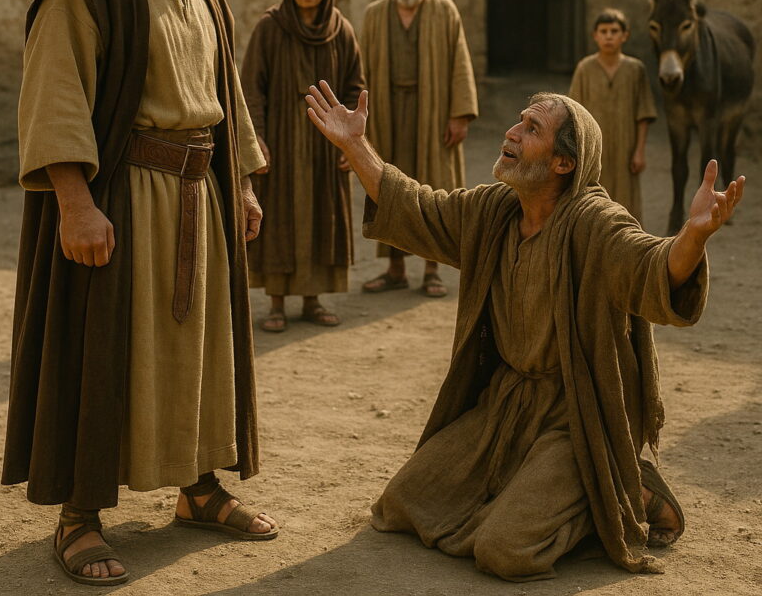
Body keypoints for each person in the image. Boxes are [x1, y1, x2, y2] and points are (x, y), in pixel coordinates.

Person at [305, 80, 744, 581]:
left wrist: (693, 235)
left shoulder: (596, 224)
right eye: (519, 120)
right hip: (507, 403)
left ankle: (619, 486)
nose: (511, 132)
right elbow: (417, 207)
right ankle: (552, 483)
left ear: (564, 163)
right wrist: (355, 144)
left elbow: (652, 266)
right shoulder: (493, 211)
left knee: (506, 551)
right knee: (402, 504)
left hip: (575, 417)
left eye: (532, 128)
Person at [3, 0, 278, 586]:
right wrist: (75, 203)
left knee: (199, 353)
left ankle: (199, 488)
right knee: (104, 353)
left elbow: (223, 93)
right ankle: (79, 516)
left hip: (199, 197)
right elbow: (55, 93)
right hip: (123, 201)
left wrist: (241, 184)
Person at [241, 0, 364, 332]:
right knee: (278, 216)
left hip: (327, 140)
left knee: (322, 216)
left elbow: (355, 87)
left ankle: (313, 300)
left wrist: (353, 143)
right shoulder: (270, 28)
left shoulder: (341, 30)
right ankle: (276, 303)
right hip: (279, 140)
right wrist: (257, 138)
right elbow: (251, 88)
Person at [360, 0, 478, 297]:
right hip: (388, 113)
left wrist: (459, 114)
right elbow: (361, 70)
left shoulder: (444, 10)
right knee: (386, 188)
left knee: (435, 188)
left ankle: (432, 270)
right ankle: (394, 268)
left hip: (433, 113)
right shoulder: (375, 14)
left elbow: (460, 62)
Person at [568, 8, 657, 222]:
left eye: (614, 31)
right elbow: (573, 113)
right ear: (595, 35)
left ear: (624, 35)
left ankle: (628, 240)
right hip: (593, 148)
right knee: (591, 200)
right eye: (604, 31)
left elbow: (643, 113)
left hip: (626, 148)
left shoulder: (635, 69)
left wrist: (639, 151)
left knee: (627, 204)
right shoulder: (585, 69)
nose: (609, 36)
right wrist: (576, 151)